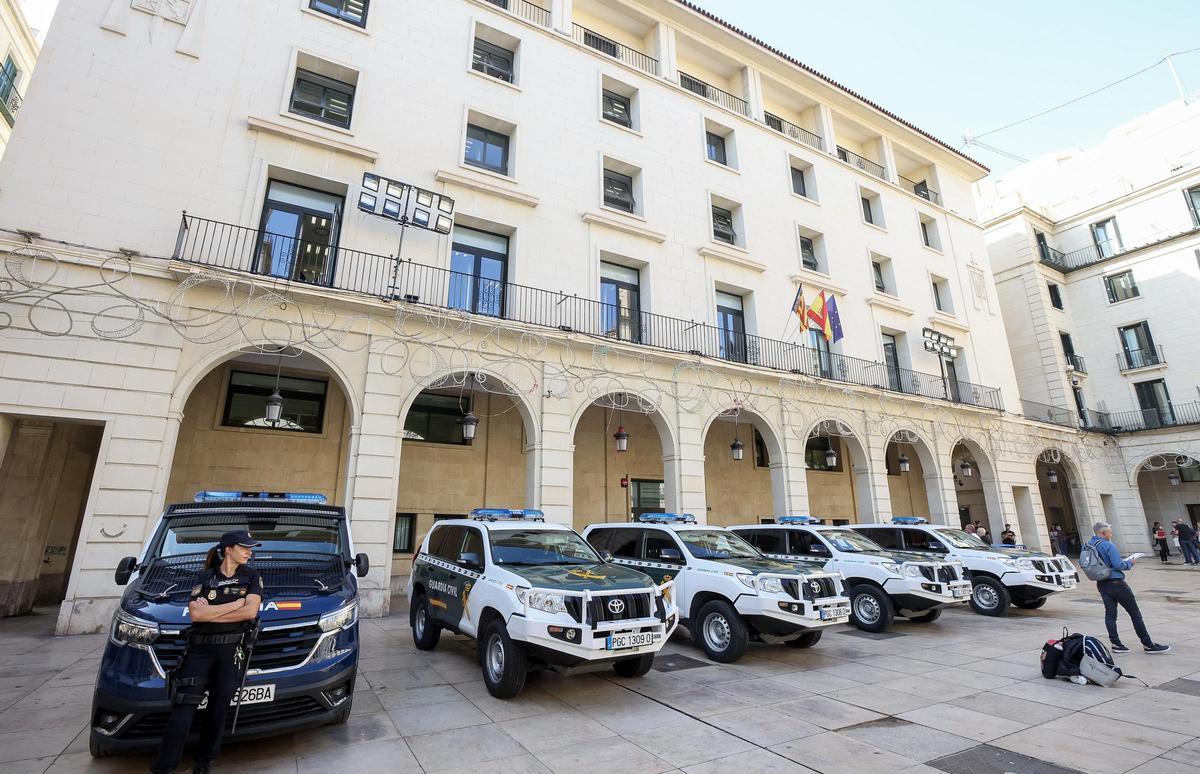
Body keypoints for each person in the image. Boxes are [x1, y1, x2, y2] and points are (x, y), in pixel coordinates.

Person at [152, 530, 264, 774]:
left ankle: (203, 765)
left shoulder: (252, 575)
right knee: (183, 708)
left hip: (231, 650)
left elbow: (250, 613)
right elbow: (196, 615)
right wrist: (235, 604)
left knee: (218, 709)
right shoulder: (205, 577)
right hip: (199, 650)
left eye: (250, 548)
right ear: (228, 549)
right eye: (244, 547)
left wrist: (215, 611)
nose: (249, 552)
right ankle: (164, 768)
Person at [1086, 522, 1170, 654]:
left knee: (1110, 614)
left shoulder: (1088, 545)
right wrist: (1130, 563)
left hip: (1102, 583)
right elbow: (1118, 564)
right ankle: (1148, 644)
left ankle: (1116, 644)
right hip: (1116, 583)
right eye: (1109, 532)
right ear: (1103, 533)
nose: (1111, 534)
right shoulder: (1108, 545)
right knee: (1135, 614)